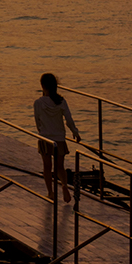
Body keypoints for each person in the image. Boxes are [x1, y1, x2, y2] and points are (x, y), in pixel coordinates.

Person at [33, 72, 81, 201]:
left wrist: (41, 133)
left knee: (47, 167)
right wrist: (75, 132)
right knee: (60, 166)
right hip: (59, 138)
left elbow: (38, 121)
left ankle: (51, 192)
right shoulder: (61, 101)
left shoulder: (38, 103)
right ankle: (64, 185)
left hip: (45, 137)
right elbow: (69, 120)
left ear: (42, 86)